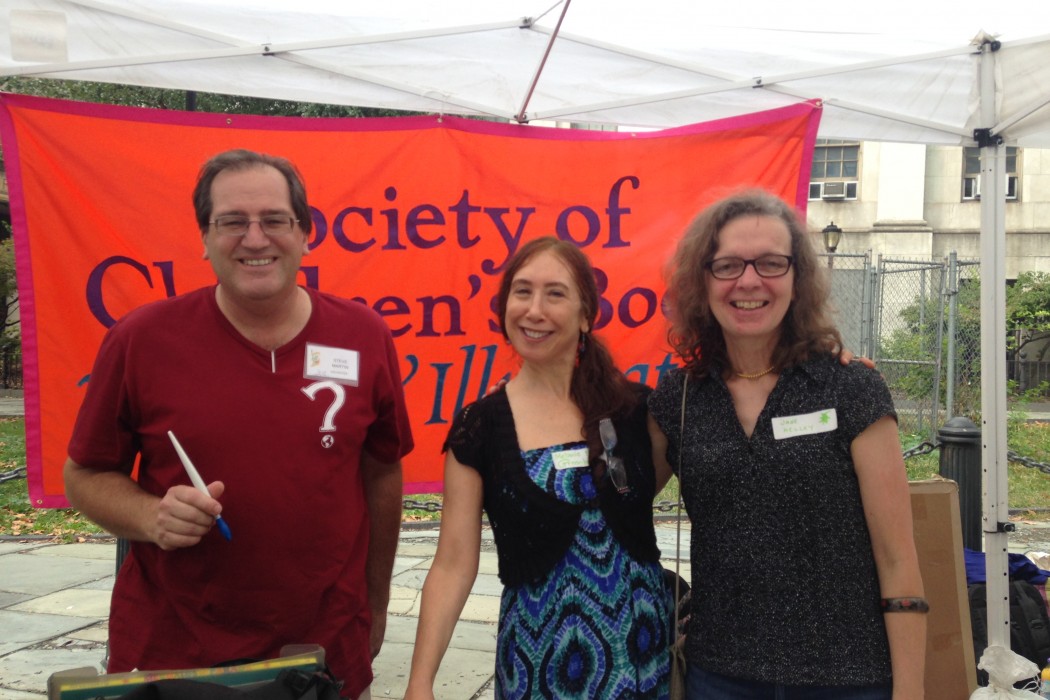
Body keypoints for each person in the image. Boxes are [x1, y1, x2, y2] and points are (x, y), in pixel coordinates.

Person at [63, 148, 413, 699]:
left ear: (305, 233)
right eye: (232, 222)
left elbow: (381, 474)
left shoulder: (364, 335)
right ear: (204, 238)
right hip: (176, 654)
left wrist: (376, 601)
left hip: (323, 650)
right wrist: (151, 515)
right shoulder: (141, 339)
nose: (255, 239)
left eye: (275, 220)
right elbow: (83, 474)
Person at [647, 190, 926, 700]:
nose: (749, 281)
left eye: (772, 263)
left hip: (848, 680)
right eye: (727, 265)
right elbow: (609, 505)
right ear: (701, 280)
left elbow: (898, 558)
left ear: (797, 278)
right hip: (719, 677)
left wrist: (910, 692)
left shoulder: (849, 388)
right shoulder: (681, 397)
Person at [405, 236, 673, 699]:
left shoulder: (635, 410)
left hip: (641, 661)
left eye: (555, 293)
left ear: (586, 314)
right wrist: (420, 681)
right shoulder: (480, 428)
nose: (534, 309)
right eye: (522, 291)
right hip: (536, 665)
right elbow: (452, 563)